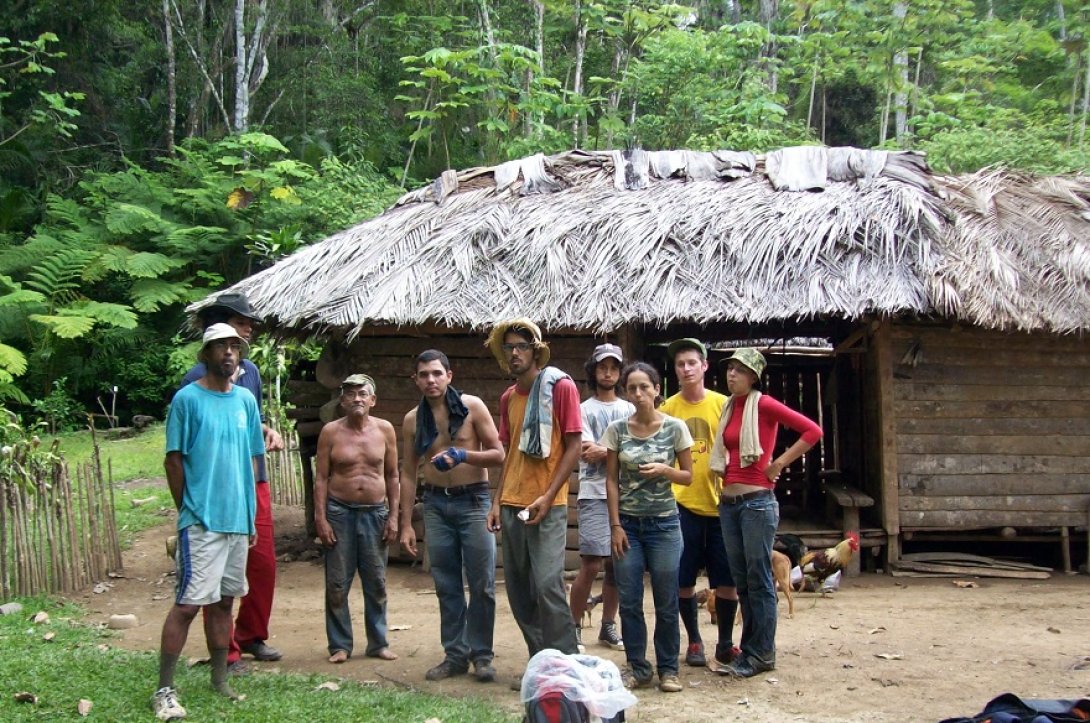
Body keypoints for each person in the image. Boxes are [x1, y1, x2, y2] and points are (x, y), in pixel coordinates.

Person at [152, 323, 265, 720]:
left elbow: (253, 459)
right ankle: (164, 689)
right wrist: (188, 509)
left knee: (223, 604)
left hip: (237, 522)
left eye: (235, 347)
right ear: (206, 354)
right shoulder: (187, 400)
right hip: (201, 522)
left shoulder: (245, 402)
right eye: (221, 347)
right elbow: (173, 460)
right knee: (187, 605)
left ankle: (220, 679)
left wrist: (249, 516)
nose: (229, 354)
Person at [179, 291, 285, 671]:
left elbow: (245, 418)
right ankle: (227, 651)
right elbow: (186, 448)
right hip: (217, 488)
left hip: (253, 481)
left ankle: (252, 635)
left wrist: (265, 429)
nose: (249, 330)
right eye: (242, 323)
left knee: (262, 564)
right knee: (219, 572)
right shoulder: (193, 384)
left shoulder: (251, 373)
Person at [711, 348, 822, 678]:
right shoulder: (730, 407)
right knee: (743, 581)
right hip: (729, 505)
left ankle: (763, 654)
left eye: (740, 369)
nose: (732, 374)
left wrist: (779, 464)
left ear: (754, 376)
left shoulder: (764, 404)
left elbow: (813, 431)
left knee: (759, 580)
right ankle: (749, 650)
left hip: (757, 502)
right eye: (730, 368)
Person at [484, 318, 582, 687]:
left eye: (521, 347)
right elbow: (509, 453)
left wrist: (549, 492)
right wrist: (496, 500)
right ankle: (541, 664)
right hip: (512, 501)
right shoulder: (509, 397)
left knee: (547, 585)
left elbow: (573, 445)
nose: (514, 353)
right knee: (520, 589)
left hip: (548, 502)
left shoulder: (560, 387)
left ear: (535, 351)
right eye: (508, 347)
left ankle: (567, 665)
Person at [400, 349, 505, 683]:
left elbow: (498, 454)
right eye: (423, 375)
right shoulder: (412, 420)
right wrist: (404, 523)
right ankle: (455, 655)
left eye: (436, 373)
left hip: (473, 501)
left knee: (483, 584)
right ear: (416, 380)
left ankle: (483, 656)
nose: (430, 380)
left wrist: (462, 454)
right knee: (446, 584)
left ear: (449, 375)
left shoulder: (472, 407)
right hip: (435, 505)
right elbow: (407, 472)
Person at [603, 362, 693, 693]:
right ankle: (638, 668)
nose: (639, 394)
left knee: (666, 599)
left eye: (645, 387)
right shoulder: (617, 430)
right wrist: (614, 525)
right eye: (632, 388)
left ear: (657, 389)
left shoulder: (675, 428)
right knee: (629, 600)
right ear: (625, 393)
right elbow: (611, 480)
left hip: (665, 525)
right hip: (628, 525)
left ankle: (668, 668)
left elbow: (688, 475)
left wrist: (664, 470)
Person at [660, 338, 738, 669]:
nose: (687, 369)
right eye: (680, 364)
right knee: (684, 579)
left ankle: (724, 643)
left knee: (728, 581)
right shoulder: (667, 411)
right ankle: (693, 640)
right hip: (682, 505)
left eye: (692, 362)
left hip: (722, 503)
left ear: (705, 366)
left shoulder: (726, 404)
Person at [314, 373, 400, 664]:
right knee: (337, 583)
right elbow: (321, 478)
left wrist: (394, 518)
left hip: (375, 513)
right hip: (340, 512)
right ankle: (340, 644)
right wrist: (321, 518)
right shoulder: (331, 432)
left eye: (362, 393)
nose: (357, 399)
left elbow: (392, 475)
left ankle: (378, 643)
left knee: (376, 582)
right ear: (342, 400)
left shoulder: (385, 430)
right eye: (350, 394)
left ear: (373, 400)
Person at [568, 344, 632, 653]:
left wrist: (609, 452)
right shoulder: (583, 409)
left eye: (614, 367)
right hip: (593, 494)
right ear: (593, 371)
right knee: (591, 563)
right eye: (602, 366)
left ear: (620, 373)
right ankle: (573, 626)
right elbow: (587, 452)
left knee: (617, 564)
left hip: (626, 495)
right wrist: (620, 451)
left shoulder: (630, 409)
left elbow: (636, 450)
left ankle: (608, 625)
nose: (608, 372)